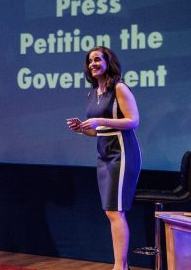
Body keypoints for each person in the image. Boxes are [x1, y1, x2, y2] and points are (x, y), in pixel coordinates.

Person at [67, 46, 141, 270]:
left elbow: (133, 121)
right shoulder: (92, 93)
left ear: (108, 62)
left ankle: (120, 267)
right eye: (90, 61)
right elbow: (96, 131)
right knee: (111, 211)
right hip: (104, 155)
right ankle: (121, 266)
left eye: (97, 60)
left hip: (122, 153)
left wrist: (102, 122)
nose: (93, 64)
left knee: (115, 211)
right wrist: (82, 128)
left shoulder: (119, 88)